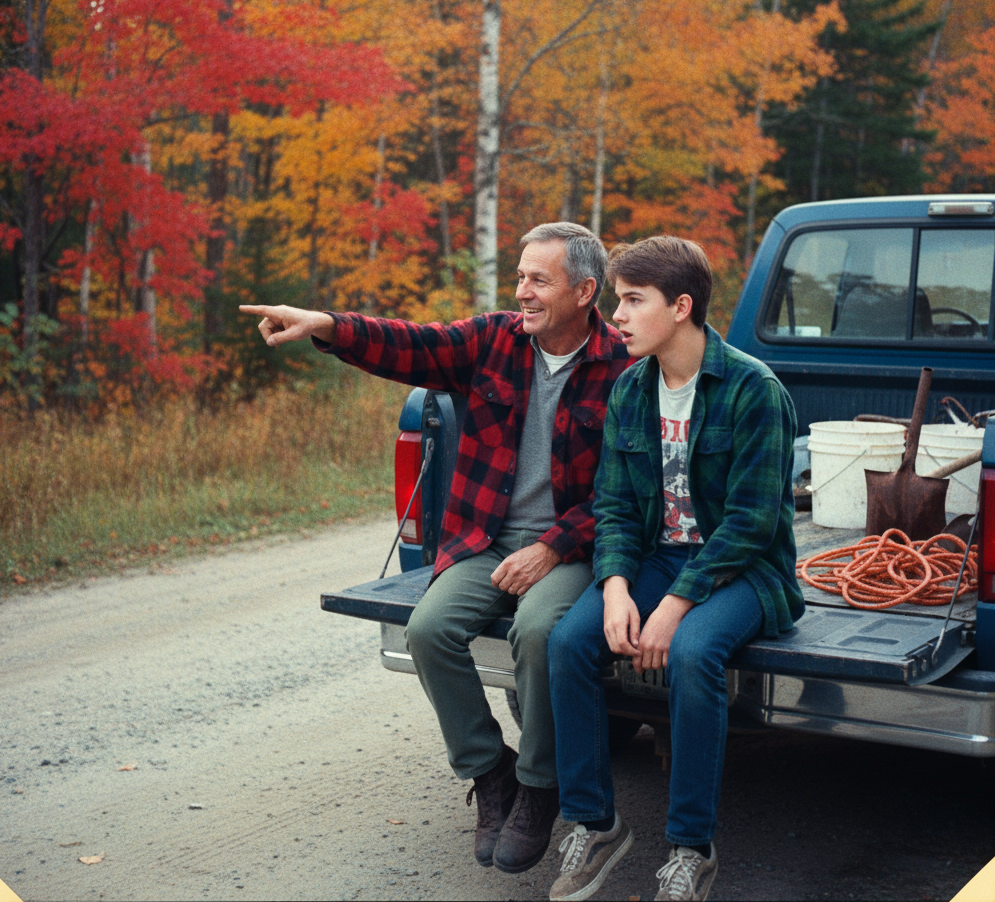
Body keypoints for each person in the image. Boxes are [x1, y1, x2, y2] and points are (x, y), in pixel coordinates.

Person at [240, 222, 631, 875]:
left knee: (538, 634)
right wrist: (325, 325)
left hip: (572, 549)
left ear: (585, 290)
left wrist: (555, 547)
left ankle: (540, 787)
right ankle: (491, 772)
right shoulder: (494, 340)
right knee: (427, 629)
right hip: (485, 536)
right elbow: (410, 344)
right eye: (519, 277)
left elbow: (627, 492)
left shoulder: (624, 367)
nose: (522, 292)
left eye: (539, 279)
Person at [545, 236, 803, 902]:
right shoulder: (632, 389)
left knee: (690, 654)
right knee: (568, 641)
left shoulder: (754, 389)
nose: (617, 316)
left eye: (633, 300)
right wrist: (617, 589)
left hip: (746, 570)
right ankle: (594, 822)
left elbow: (750, 526)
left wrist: (673, 605)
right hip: (661, 557)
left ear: (681, 306)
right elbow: (615, 506)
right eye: (616, 300)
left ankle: (691, 847)